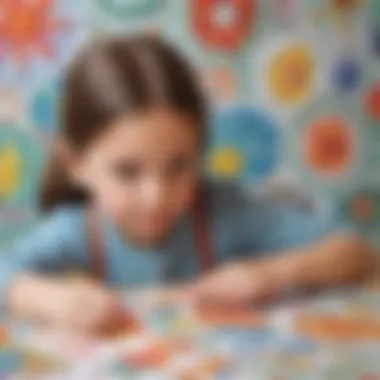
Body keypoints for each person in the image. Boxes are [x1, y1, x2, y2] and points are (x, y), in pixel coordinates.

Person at [2, 35, 375, 334]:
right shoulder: (79, 232)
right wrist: (45, 298)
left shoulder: (225, 213)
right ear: (77, 165)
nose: (157, 196)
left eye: (179, 165)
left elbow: (356, 252)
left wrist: (265, 275)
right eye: (127, 172)